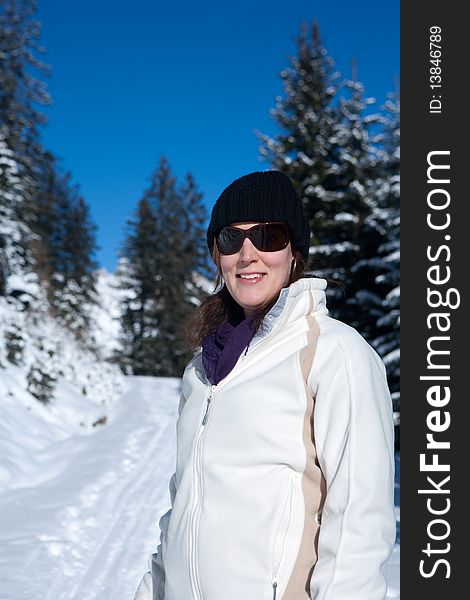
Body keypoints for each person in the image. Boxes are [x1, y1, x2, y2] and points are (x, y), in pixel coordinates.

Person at [133, 170, 396, 600]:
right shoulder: (202, 369)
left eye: (268, 236)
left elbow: (358, 521)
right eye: (231, 240)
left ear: (295, 252)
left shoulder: (334, 353)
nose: (248, 255)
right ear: (217, 256)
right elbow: (183, 506)